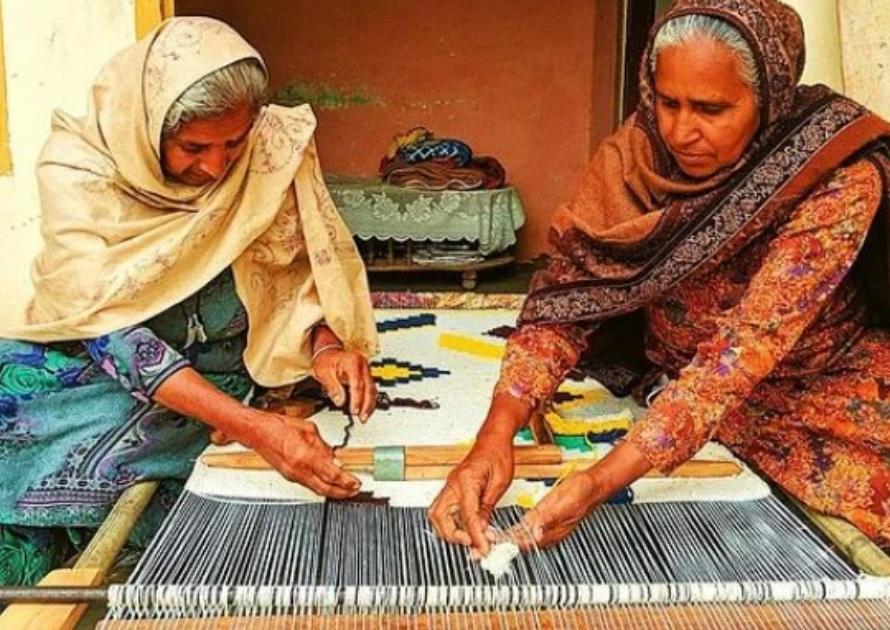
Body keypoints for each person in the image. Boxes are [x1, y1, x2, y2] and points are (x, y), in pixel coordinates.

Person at [430, 0, 890, 555]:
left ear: (768, 97)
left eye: (711, 109)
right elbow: (567, 299)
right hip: (681, 381)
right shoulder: (636, 156)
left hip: (816, 383)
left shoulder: (835, 175)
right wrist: (495, 435)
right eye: (668, 102)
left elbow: (744, 351)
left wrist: (600, 480)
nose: (680, 130)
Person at [0, 17, 378, 585]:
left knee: (204, 447)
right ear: (149, 129)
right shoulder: (80, 167)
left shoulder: (270, 151)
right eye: (193, 147)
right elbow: (107, 328)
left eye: (233, 142)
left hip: (229, 374)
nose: (217, 166)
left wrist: (324, 346)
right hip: (110, 371)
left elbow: (295, 273)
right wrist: (251, 427)